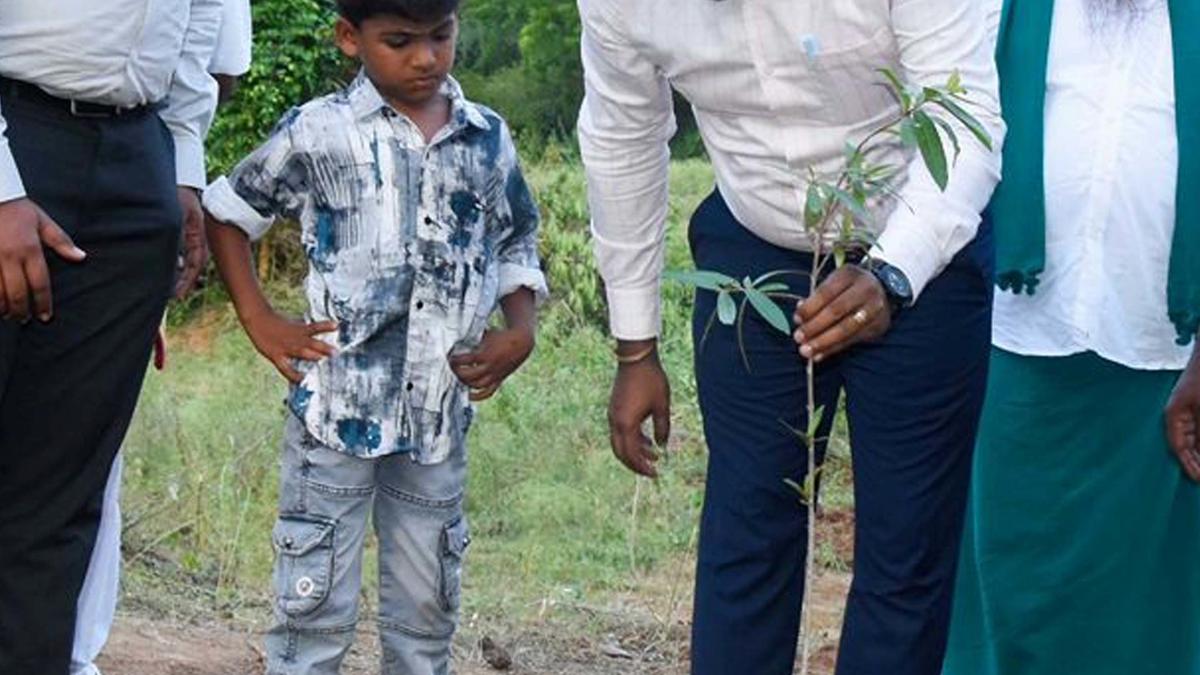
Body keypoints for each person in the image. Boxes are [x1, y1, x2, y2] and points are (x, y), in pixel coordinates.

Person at [577, 1, 1005, 673]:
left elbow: (964, 119)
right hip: (754, 244)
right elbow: (621, 135)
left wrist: (893, 274)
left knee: (908, 547)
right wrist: (636, 346)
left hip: (923, 244)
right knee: (746, 529)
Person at [203, 0, 546, 671]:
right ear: (348, 38)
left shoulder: (486, 138)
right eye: (399, 41)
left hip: (436, 422)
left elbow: (516, 239)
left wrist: (521, 329)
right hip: (334, 417)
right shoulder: (316, 132)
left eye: (440, 36)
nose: (425, 58)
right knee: (312, 613)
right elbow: (226, 213)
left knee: (425, 617)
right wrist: (259, 319)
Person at [943, 0, 1200, 673]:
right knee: (1006, 585)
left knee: (1145, 615)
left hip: (1168, 366)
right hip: (1014, 344)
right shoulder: (1000, 10)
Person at [0, 1, 220, 672]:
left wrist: (182, 162)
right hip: (16, 134)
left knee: (59, 500)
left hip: (135, 158)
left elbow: (202, 9)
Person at [68, 4, 254, 674]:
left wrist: (161, 190)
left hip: (125, 172)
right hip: (53, 159)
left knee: (77, 460)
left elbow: (212, 64)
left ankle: (67, 650)